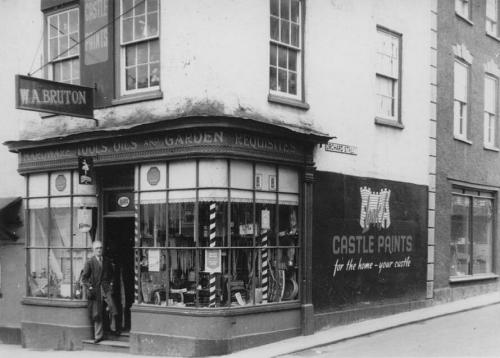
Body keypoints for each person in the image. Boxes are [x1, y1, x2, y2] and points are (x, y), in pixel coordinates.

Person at [81, 240, 118, 343]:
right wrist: (90, 287)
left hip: (106, 289)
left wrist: (111, 284)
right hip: (95, 290)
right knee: (97, 313)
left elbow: (112, 275)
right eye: (97, 248)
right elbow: (84, 278)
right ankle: (98, 336)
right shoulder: (90, 262)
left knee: (112, 307)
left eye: (100, 248)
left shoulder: (107, 261)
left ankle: (113, 329)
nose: (99, 250)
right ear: (93, 250)